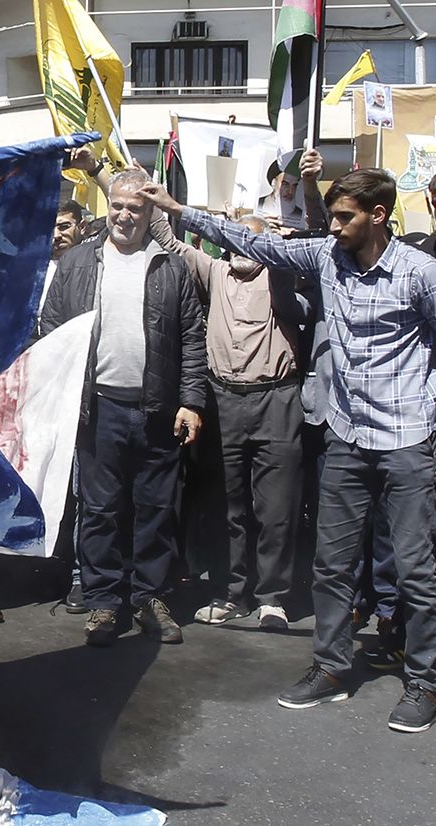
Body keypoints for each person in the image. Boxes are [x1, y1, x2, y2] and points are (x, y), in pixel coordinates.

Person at [143, 168, 436, 733]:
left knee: (414, 571)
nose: (334, 226)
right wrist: (178, 210)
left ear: (378, 215)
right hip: (348, 439)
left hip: (406, 442)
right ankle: (330, 667)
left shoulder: (422, 274)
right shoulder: (328, 257)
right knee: (331, 565)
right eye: (330, 216)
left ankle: (425, 681)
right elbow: (251, 242)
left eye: (345, 216)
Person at [36, 168, 205, 648]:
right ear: (106, 206)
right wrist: (64, 397)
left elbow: (192, 339)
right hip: (98, 411)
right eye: (117, 206)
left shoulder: (171, 268)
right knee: (100, 511)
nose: (125, 215)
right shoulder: (77, 264)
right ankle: (104, 603)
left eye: (135, 207)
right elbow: (51, 328)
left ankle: (150, 597)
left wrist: (191, 401)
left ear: (151, 212)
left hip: (157, 411)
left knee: (155, 510)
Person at [151, 203, 304, 631]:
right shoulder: (214, 272)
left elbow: (302, 241)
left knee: (276, 508)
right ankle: (230, 593)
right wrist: (147, 192)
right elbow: (168, 239)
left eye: (248, 239)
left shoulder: (279, 273)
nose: (238, 248)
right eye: (233, 239)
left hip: (276, 398)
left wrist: (279, 233)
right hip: (223, 401)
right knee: (227, 506)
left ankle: (272, 598)